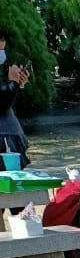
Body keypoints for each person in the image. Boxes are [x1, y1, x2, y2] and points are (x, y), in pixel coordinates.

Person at [0, 32, 31, 166]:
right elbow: (2, 105)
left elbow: (8, 101)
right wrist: (14, 84)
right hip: (4, 139)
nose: (2, 54)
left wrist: (18, 84)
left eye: (2, 49)